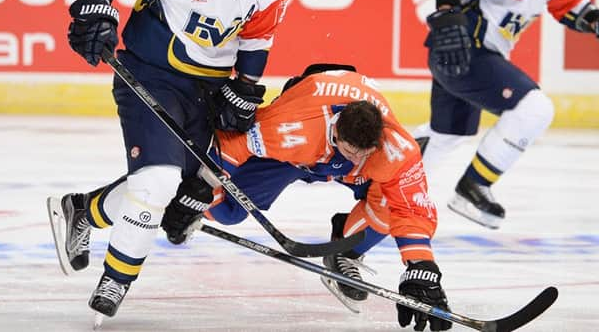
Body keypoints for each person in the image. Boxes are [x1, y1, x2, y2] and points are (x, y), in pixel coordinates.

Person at [48, 0, 291, 319]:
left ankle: (82, 211)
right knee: (158, 180)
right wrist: (94, 0)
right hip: (152, 73)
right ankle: (116, 282)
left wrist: (246, 87)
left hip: (209, 88)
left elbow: (257, 35)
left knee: (178, 185)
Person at [162, 65, 452, 331]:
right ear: (336, 130)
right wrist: (197, 193)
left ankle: (343, 251)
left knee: (390, 202)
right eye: (352, 150)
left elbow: (412, 207)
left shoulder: (393, 148)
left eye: (366, 152)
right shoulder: (291, 128)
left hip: (339, 158)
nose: (359, 157)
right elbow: (232, 143)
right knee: (228, 211)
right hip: (296, 155)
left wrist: (421, 266)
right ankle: (168, 192)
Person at [413, 0, 599, 229]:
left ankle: (383, 190)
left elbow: (570, 6)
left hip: (465, 58)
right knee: (534, 109)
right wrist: (449, 12)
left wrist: (593, 19)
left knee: (447, 136)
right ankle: (473, 188)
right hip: (466, 51)